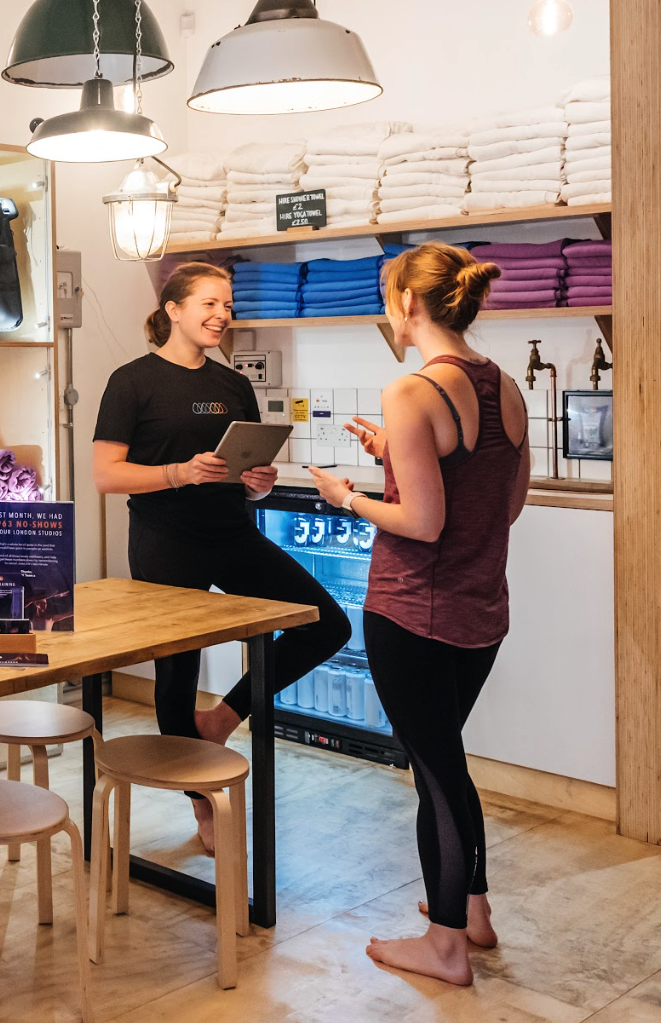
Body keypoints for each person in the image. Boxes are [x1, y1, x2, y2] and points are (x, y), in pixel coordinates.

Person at [308, 241, 530, 987]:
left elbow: (424, 523)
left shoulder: (411, 392)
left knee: (433, 773)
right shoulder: (506, 388)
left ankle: (443, 946)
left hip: (413, 612)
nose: (383, 309)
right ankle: (473, 911)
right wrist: (396, 462)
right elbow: (504, 504)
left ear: (407, 303)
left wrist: (348, 497)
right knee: (449, 762)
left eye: (384, 294)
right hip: (481, 611)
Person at [93, 261, 351, 852]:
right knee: (176, 674)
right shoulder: (131, 381)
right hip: (165, 541)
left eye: (228, 307)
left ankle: (223, 720)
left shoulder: (232, 385)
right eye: (209, 304)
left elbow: (249, 480)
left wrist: (259, 480)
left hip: (233, 533)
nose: (221, 316)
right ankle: (203, 804)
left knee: (327, 624)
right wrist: (178, 472)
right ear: (174, 310)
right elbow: (106, 475)